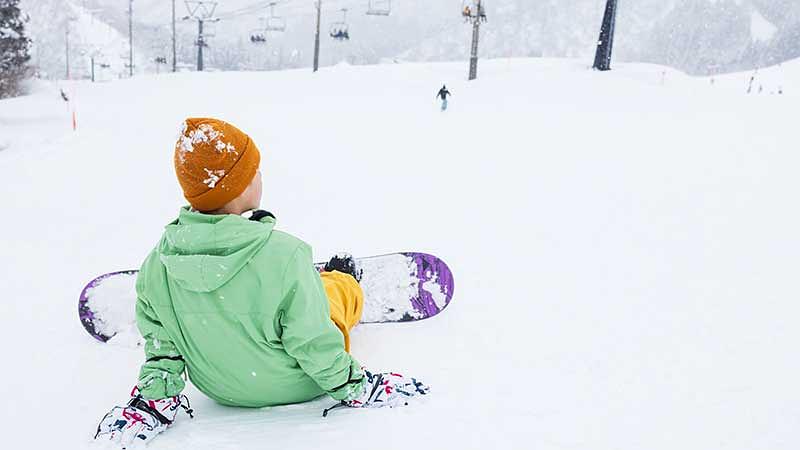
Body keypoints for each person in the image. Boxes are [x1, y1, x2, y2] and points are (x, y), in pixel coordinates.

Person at [94, 118, 429, 447]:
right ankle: (344, 280)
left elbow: (163, 351)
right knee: (330, 300)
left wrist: (153, 399)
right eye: (254, 170)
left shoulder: (157, 265)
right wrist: (354, 386)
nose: (259, 175)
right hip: (297, 383)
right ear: (239, 186)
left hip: (220, 389)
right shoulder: (286, 255)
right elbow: (314, 344)